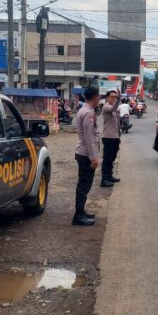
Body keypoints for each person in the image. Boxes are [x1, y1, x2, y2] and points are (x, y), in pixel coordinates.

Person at [74, 86, 101, 226]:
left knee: (83, 185)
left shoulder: (84, 110)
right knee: (84, 186)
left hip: (83, 153)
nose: (99, 99)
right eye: (99, 96)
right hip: (86, 154)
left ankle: (81, 212)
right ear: (95, 97)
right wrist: (94, 158)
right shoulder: (88, 113)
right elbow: (89, 138)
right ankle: (78, 216)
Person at [101, 90, 122, 188]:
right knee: (107, 159)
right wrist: (119, 98)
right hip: (108, 137)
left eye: (115, 97)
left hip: (115, 137)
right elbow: (113, 107)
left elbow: (117, 124)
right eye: (112, 97)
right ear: (107, 98)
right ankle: (104, 179)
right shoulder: (106, 107)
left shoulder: (114, 110)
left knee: (112, 158)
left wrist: (119, 135)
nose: (114, 98)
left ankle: (109, 176)